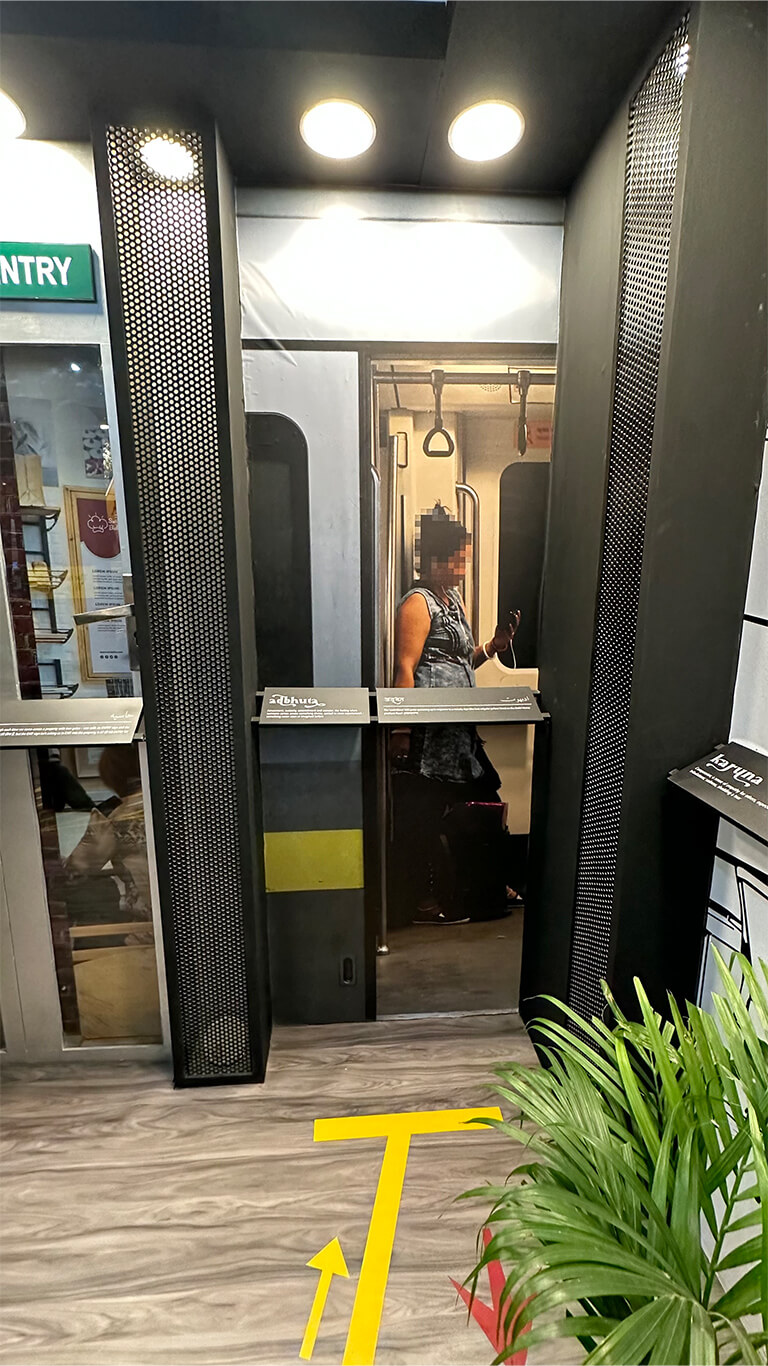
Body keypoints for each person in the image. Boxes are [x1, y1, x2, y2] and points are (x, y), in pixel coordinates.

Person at [390, 503, 519, 924]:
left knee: (487, 798)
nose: (463, 568)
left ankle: (490, 882)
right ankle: (423, 901)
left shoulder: (453, 600)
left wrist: (493, 648)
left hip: (458, 735)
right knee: (422, 819)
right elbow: (406, 667)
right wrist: (402, 729)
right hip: (430, 735)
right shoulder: (418, 603)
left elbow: (461, 661)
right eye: (458, 560)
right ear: (436, 560)